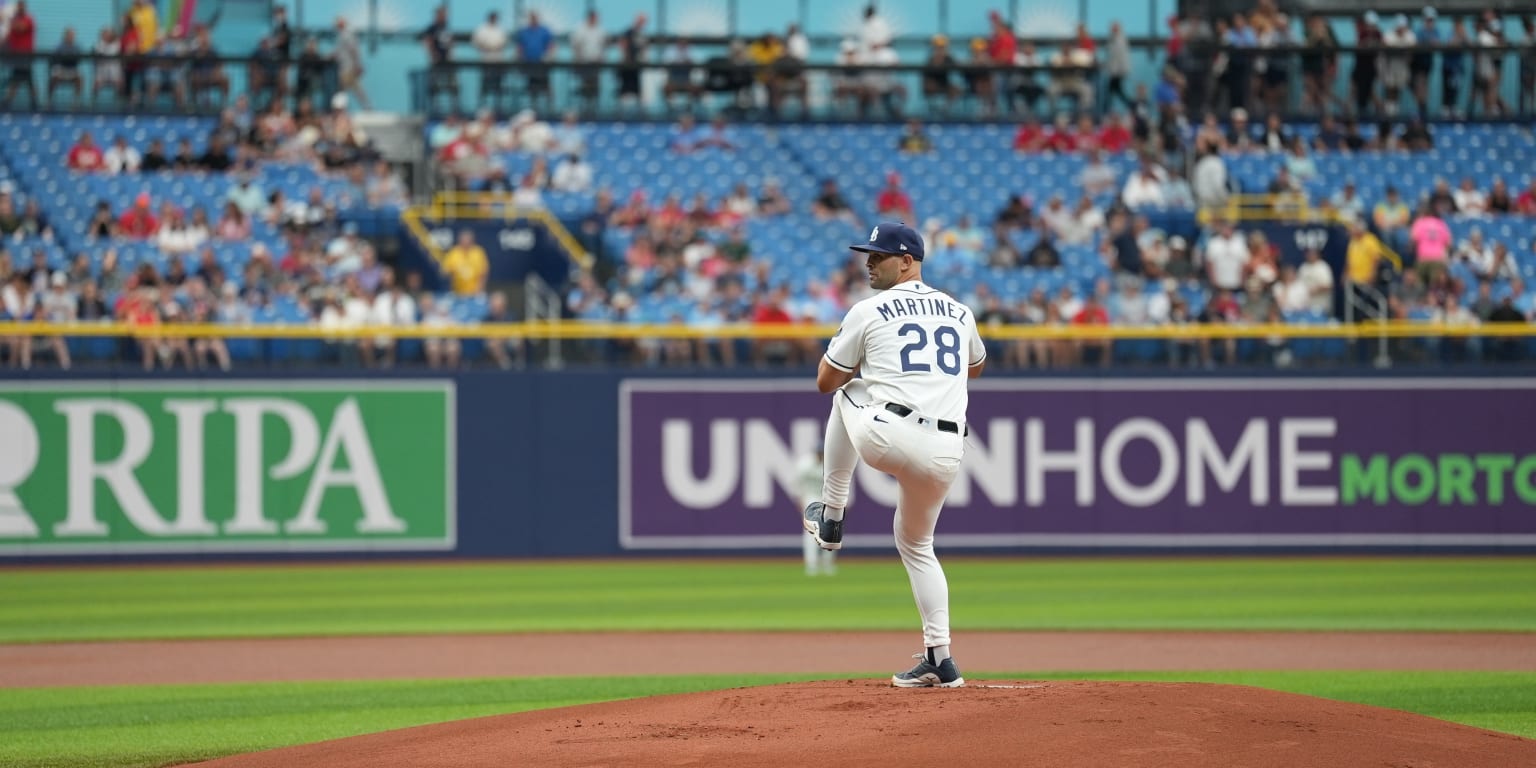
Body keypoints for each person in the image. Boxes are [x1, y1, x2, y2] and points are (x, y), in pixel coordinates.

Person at [804, 221, 984, 689]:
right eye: (868, 253)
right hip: (947, 450)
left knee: (847, 391)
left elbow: (826, 381)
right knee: (920, 546)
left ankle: (832, 513)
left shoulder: (869, 310)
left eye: (879, 255)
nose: (868, 261)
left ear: (907, 261)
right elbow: (977, 366)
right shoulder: (960, 312)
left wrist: (861, 357)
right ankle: (942, 659)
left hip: (889, 433)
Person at [794, 446, 837, 577]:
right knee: (811, 531)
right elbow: (797, 484)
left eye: (822, 453)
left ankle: (827, 564)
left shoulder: (832, 463)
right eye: (818, 453)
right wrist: (800, 500)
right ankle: (811, 565)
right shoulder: (804, 464)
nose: (820, 455)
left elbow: (842, 482)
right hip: (810, 497)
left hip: (828, 498)